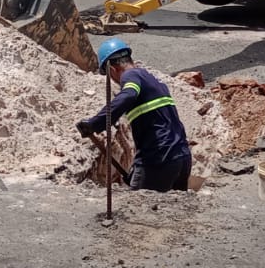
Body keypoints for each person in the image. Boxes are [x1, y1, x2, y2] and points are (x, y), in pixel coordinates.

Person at [76, 38, 193, 192]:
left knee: (139, 212)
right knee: (173, 212)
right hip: (181, 158)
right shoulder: (153, 81)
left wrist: (96, 123)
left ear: (111, 69)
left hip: (159, 159)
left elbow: (128, 95)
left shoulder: (130, 76)